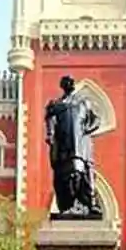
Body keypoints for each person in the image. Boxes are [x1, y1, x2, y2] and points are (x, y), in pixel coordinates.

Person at [45, 76, 102, 217]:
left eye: (71, 82)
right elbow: (49, 120)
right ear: (63, 86)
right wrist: (51, 135)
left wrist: (87, 129)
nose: (69, 85)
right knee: (63, 176)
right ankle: (67, 205)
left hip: (80, 145)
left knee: (82, 173)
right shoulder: (56, 104)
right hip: (64, 146)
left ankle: (88, 203)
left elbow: (96, 119)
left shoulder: (83, 103)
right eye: (66, 83)